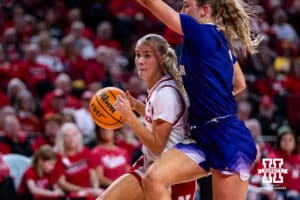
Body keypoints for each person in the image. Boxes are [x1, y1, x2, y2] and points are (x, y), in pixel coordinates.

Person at [135, 0, 261, 200]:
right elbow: (238, 83)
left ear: (204, 10)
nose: (181, 11)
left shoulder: (200, 31)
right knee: (153, 179)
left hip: (227, 138)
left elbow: (151, 3)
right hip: (201, 135)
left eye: (187, 5)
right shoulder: (217, 40)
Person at [97, 33, 196, 200]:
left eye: (147, 55)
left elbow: (158, 145)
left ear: (162, 59)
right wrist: (136, 106)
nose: (140, 60)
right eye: (138, 54)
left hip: (171, 175)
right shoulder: (160, 87)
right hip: (153, 167)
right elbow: (160, 119)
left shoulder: (166, 94)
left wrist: (129, 116)